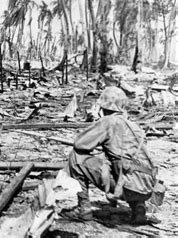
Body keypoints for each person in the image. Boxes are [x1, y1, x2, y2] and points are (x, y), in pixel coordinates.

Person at [67, 86, 156, 225]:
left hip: (125, 187)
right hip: (146, 188)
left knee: (76, 157)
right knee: (130, 165)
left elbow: (80, 144)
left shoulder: (108, 121)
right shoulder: (134, 126)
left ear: (103, 107)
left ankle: (83, 210)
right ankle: (139, 209)